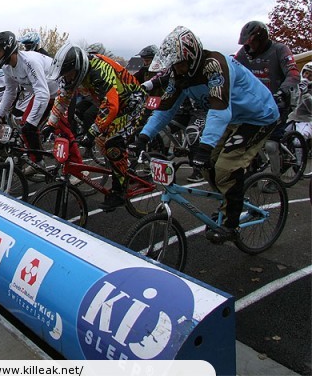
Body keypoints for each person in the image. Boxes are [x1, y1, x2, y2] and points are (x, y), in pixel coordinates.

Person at [133, 26, 280, 243]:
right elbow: (164, 111)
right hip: (234, 119)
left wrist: (205, 146)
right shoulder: (179, 74)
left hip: (259, 117)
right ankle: (231, 203)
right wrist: (142, 137)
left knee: (226, 167)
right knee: (207, 167)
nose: (177, 69)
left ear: (191, 57)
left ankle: (231, 223)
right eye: (174, 65)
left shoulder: (214, 65)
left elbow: (220, 110)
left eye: (180, 63)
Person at [45, 43, 145, 210]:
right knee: (102, 142)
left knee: (112, 143)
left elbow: (111, 105)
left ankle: (120, 189)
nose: (67, 78)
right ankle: (122, 168)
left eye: (69, 74)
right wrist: (50, 124)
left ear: (78, 68)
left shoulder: (98, 69)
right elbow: (62, 100)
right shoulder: (70, 76)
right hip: (111, 104)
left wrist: (92, 132)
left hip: (131, 103)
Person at [0, 31, 58, 175]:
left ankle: (77, 170)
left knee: (62, 132)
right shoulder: (7, 67)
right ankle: (38, 162)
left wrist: (32, 122)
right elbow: (10, 92)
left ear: (7, 49)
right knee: (25, 126)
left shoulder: (29, 62)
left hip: (59, 93)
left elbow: (43, 93)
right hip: (43, 93)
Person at [235, 21, 300, 179]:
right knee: (243, 138)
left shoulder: (280, 50)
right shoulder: (244, 53)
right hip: (256, 104)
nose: (250, 48)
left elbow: (293, 73)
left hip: (279, 102)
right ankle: (251, 169)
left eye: (253, 44)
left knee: (271, 144)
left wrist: (283, 91)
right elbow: (232, 69)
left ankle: (275, 178)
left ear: (262, 39)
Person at [289, 62, 312, 141]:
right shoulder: (296, 84)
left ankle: (301, 153)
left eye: (311, 75)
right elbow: (292, 103)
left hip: (307, 121)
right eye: (306, 73)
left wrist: (305, 94)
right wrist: (297, 91)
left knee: (298, 140)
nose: (307, 77)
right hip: (290, 119)